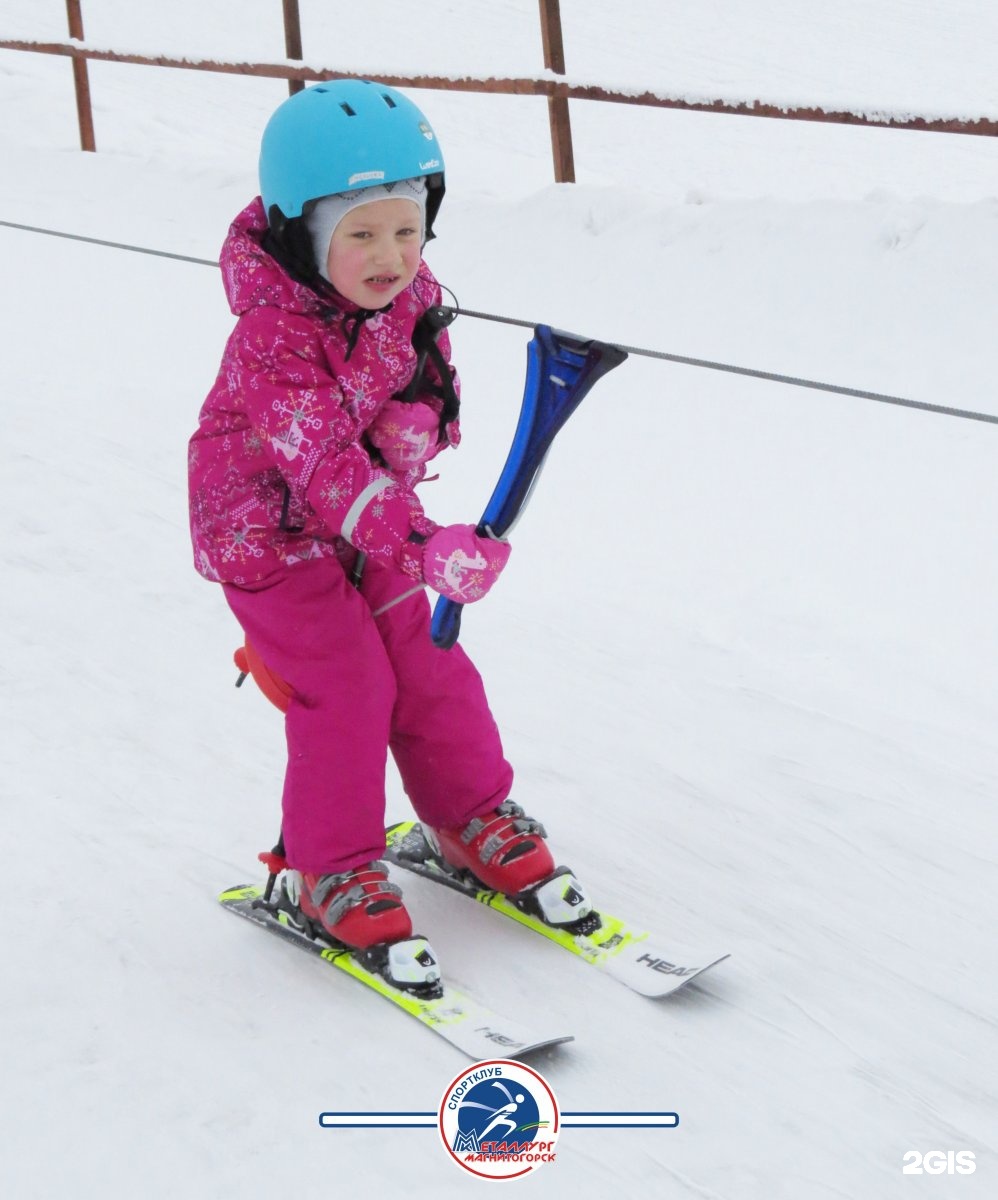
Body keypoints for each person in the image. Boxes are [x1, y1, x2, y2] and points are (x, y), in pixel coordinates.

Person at [188, 80, 560, 955]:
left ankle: (469, 818)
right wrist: (426, 545)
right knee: (349, 685)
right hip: (269, 537)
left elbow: (433, 383)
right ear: (299, 232)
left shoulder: (407, 296)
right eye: (360, 233)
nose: (392, 254)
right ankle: (330, 870)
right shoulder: (271, 338)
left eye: (407, 225)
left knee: (427, 665)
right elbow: (321, 466)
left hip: (370, 521)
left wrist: (424, 422)